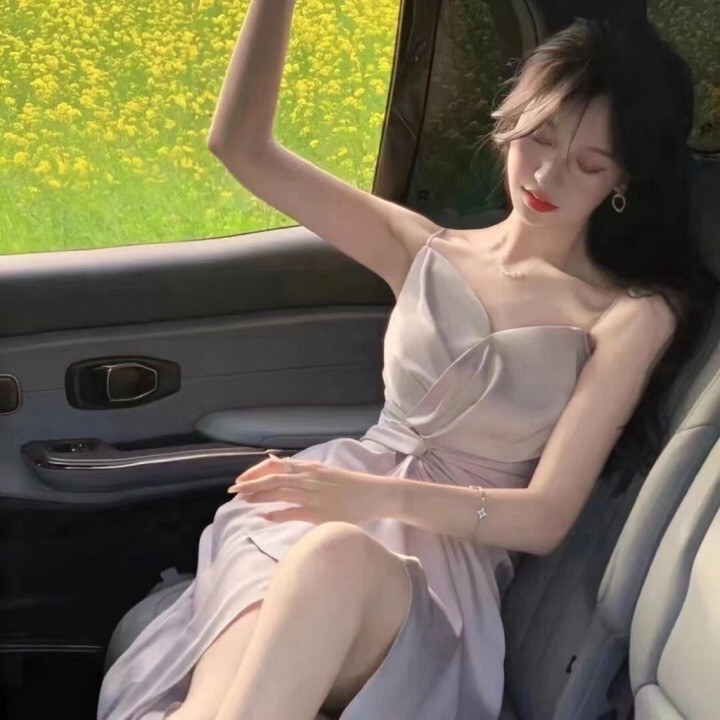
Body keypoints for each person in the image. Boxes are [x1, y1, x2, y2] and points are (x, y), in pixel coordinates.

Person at [97, 5, 712, 720]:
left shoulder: (626, 314)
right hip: (318, 513)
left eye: (588, 164)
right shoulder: (422, 249)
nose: (547, 174)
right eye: (538, 137)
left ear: (622, 180)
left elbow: (545, 519)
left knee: (333, 556)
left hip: (435, 574)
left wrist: (370, 499)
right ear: (508, 123)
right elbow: (242, 147)